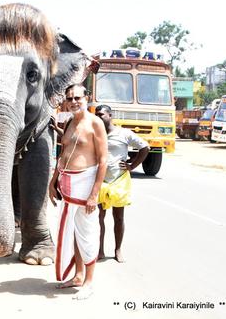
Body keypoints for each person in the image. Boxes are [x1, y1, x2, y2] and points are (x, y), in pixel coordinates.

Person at [49, 84, 107, 300]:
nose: (73, 101)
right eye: (70, 98)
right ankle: (78, 275)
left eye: (77, 98)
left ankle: (89, 281)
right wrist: (52, 181)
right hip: (67, 183)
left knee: (87, 232)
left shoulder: (96, 124)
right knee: (73, 231)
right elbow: (63, 154)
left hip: (85, 186)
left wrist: (94, 194)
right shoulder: (70, 122)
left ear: (87, 98)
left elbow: (103, 161)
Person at [95, 104, 150, 263]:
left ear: (110, 116)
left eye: (101, 115)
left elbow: (145, 147)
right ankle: (100, 250)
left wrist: (132, 165)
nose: (98, 117)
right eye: (96, 115)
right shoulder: (95, 134)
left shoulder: (123, 133)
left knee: (118, 217)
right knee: (99, 217)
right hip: (101, 180)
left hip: (119, 180)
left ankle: (118, 250)